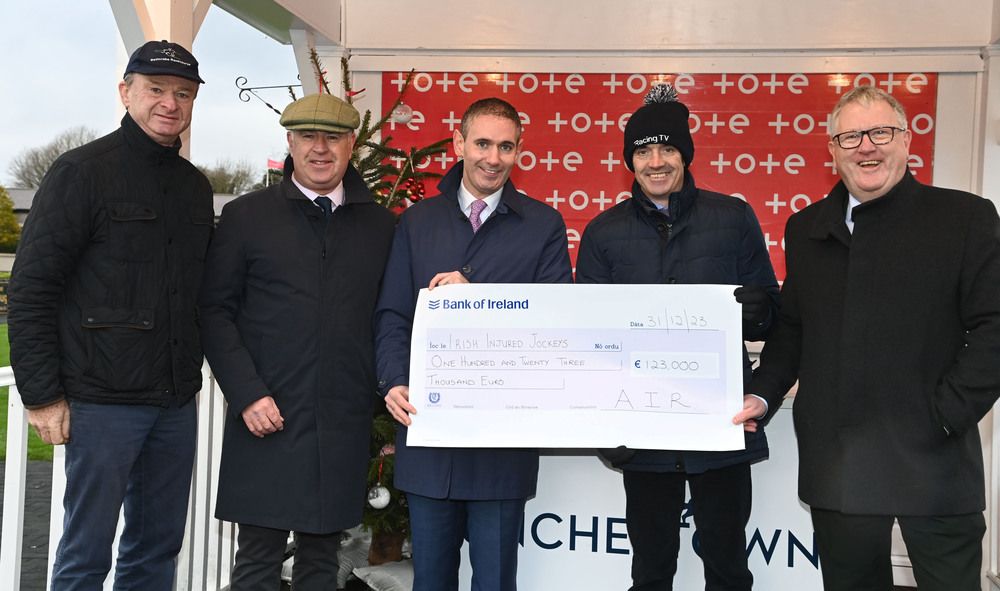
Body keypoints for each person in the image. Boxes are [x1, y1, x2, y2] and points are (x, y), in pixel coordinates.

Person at [735, 85, 1000, 591]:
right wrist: (762, 395)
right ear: (832, 150)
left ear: (906, 141)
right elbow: (793, 329)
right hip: (840, 461)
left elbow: (994, 327)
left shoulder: (965, 218)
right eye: (851, 136)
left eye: (881, 132)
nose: (867, 147)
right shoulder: (806, 228)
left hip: (935, 459)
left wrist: (947, 414)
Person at [7, 40, 211, 589]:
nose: (170, 103)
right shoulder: (80, 172)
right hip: (101, 403)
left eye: (183, 93)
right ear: (125, 92)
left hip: (174, 403)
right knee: (86, 552)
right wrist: (42, 395)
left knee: (156, 548)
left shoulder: (194, 187)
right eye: (156, 89)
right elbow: (31, 289)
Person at [575, 83, 779, 591]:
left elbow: (773, 316)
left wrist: (758, 312)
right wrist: (607, 429)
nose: (656, 162)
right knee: (650, 568)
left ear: (685, 154)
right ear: (629, 160)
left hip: (721, 427)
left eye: (667, 149)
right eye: (643, 152)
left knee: (728, 565)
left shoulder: (732, 218)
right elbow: (590, 340)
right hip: (643, 435)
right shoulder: (603, 232)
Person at [197, 93, 395, 590]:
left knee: (321, 565)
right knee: (257, 564)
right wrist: (247, 394)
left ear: (352, 143)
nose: (319, 149)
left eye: (332, 138)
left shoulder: (381, 226)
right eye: (308, 136)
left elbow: (390, 317)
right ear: (290, 141)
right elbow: (214, 311)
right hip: (266, 417)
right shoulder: (246, 216)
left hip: (341, 422)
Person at [375, 97, 572, 591]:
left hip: (501, 446)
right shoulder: (418, 222)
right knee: (430, 581)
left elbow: (555, 323)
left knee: (495, 582)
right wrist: (393, 380)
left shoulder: (543, 225)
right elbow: (393, 314)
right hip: (429, 439)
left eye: (506, 147)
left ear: (519, 151)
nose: (493, 157)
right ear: (459, 143)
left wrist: (477, 293)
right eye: (483, 143)